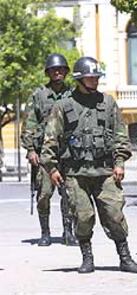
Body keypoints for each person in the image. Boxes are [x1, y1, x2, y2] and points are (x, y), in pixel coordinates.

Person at [41, 56, 137, 274]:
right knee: (83, 216)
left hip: (105, 170)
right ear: (79, 79)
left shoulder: (107, 104)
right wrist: (52, 168)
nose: (95, 80)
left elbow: (120, 137)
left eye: (97, 77)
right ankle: (87, 257)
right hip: (75, 173)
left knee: (114, 214)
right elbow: (50, 139)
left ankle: (125, 257)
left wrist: (119, 163)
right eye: (90, 77)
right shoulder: (63, 106)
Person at [21, 53, 77, 247]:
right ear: (48, 72)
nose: (58, 72)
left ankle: (68, 232)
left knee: (68, 194)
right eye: (54, 69)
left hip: (68, 153)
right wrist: (30, 150)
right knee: (44, 194)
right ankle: (45, 232)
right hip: (44, 153)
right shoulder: (39, 95)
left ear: (66, 72)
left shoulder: (74, 93)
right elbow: (29, 123)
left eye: (61, 69)